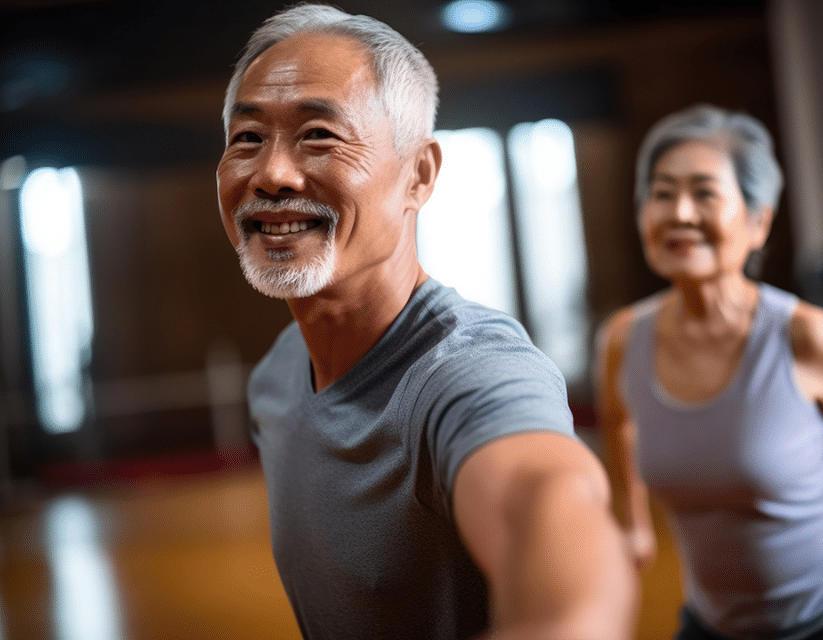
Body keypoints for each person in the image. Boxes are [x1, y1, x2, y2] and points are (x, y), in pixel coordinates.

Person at [215, 3, 636, 639]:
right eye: (247, 139)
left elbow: (549, 505)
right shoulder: (277, 375)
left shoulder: (467, 371)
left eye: (319, 135)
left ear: (419, 175)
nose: (271, 173)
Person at [595, 103, 823, 640]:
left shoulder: (806, 337)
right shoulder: (623, 339)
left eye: (704, 193)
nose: (679, 213)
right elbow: (618, 424)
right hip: (715, 622)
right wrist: (634, 525)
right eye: (662, 192)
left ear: (758, 221)